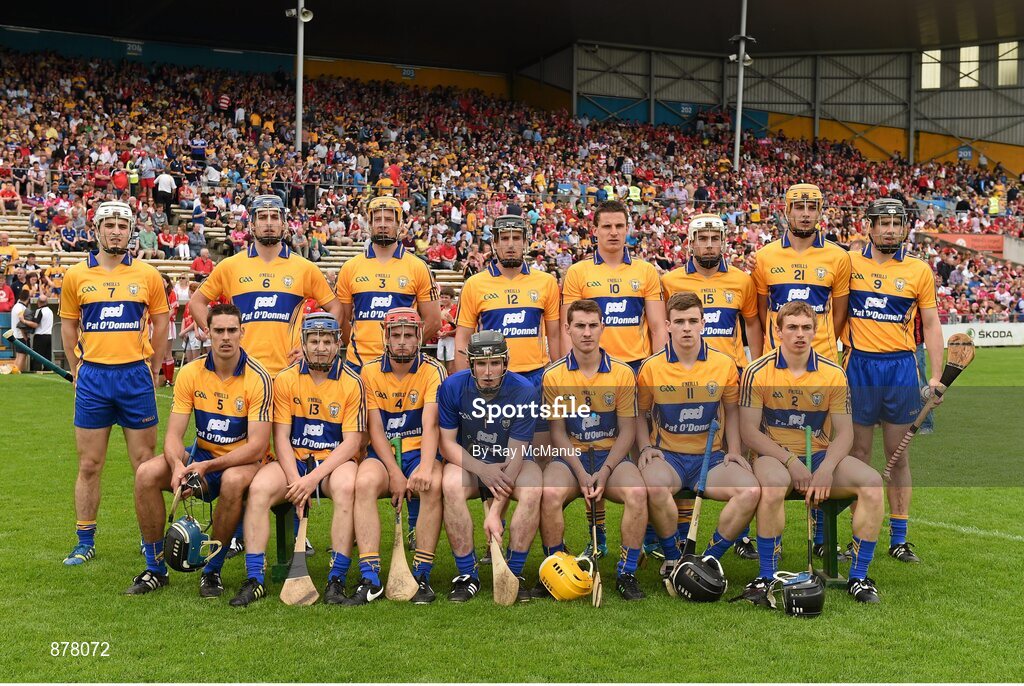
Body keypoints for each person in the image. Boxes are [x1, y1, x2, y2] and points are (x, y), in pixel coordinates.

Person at [737, 301, 884, 605]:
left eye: (806, 328)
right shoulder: (757, 371)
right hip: (774, 456)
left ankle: (859, 577)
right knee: (774, 484)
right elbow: (749, 432)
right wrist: (791, 461)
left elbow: (845, 433)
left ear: (815, 332)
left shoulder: (833, 373)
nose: (799, 334)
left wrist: (826, 469)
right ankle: (767, 576)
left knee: (871, 483)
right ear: (778, 332)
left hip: (818, 455)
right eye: (792, 327)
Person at [126, 303, 271, 597]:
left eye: (232, 330)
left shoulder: (258, 377)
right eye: (219, 331)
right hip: (202, 456)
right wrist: (177, 466)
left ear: (242, 333)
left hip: (242, 461)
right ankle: (155, 569)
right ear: (208, 333)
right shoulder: (191, 372)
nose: (226, 337)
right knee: (146, 474)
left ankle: (212, 571)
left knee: (232, 481)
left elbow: (257, 447)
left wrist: (206, 467)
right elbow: (173, 436)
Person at [58, 201, 169, 565]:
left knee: (145, 465)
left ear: (131, 231)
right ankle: (84, 540)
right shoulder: (76, 275)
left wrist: (154, 369)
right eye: (109, 225)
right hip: (94, 378)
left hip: (135, 376)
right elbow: (69, 326)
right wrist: (77, 369)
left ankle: (149, 539)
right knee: (89, 464)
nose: (116, 231)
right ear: (97, 230)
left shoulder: (148, 275)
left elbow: (162, 323)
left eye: (123, 225)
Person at [229, 312, 365, 607]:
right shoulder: (285, 379)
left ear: (337, 343)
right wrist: (295, 481)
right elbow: (281, 437)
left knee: (346, 487)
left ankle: (336, 578)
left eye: (326, 341)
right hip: (293, 461)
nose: (320, 347)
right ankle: (254, 578)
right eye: (314, 341)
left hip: (333, 462)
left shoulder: (352, 381)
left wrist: (311, 480)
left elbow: (352, 443)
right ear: (303, 343)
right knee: (259, 489)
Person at [560, 199, 666, 555]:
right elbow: (568, 327)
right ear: (595, 231)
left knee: (641, 449)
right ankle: (599, 532)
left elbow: (657, 327)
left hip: (635, 368)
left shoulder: (646, 271)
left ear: (628, 229)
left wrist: (655, 369)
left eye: (619, 225)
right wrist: (570, 368)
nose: (613, 232)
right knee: (595, 445)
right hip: (591, 371)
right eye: (606, 226)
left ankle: (648, 533)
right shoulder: (578, 273)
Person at [635, 292, 761, 589]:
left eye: (693, 321)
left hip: (711, 458)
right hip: (669, 457)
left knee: (750, 491)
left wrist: (733, 450)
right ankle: (673, 557)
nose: (687, 328)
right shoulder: (651, 367)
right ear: (668, 325)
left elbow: (732, 410)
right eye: (679, 322)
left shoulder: (724, 364)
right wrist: (646, 447)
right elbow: (639, 413)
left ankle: (708, 558)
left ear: (703, 323)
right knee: (654, 487)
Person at [661, 213, 764, 560]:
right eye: (702, 239)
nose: (709, 245)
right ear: (690, 243)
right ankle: (676, 537)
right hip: (684, 376)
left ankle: (742, 535)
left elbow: (752, 325)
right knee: (683, 449)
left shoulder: (741, 280)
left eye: (714, 239)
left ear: (723, 242)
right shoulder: (671, 280)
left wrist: (755, 366)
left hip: (728, 375)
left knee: (736, 450)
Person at [846, 199, 943, 564]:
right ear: (869, 226)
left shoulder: (919, 270)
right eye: (882, 223)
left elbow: (931, 324)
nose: (889, 230)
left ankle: (899, 539)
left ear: (904, 228)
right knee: (857, 456)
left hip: (901, 368)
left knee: (897, 456)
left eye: (896, 223)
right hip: (859, 366)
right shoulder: (848, 263)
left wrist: (935, 375)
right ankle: (857, 536)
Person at [538, 299, 647, 600]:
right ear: (567, 329)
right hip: (570, 459)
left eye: (592, 326)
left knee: (638, 494)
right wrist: (582, 473)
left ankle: (627, 573)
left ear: (602, 328)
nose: (587, 332)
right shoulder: (553, 375)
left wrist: (605, 470)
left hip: (610, 456)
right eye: (580, 326)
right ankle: (556, 569)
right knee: (549, 494)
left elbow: (627, 431)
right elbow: (558, 433)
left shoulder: (622, 373)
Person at [351, 308, 448, 605]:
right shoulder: (369, 372)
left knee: (433, 484)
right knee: (364, 483)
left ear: (419, 336)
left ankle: (421, 574)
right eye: (396, 335)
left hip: (420, 451)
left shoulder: (433, 370)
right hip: (383, 455)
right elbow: (376, 429)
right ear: (386, 337)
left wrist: (426, 467)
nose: (402, 341)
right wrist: (394, 472)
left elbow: (431, 425)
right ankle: (370, 576)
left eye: (408, 335)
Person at [438, 331, 541, 603]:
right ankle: (466, 575)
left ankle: (513, 572)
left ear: (505, 362)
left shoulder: (524, 391)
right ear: (470, 364)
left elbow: (516, 456)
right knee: (450, 484)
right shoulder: (452, 386)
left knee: (533, 488)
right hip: (470, 462)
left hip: (510, 461)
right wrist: (482, 470)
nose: (487, 372)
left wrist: (495, 513)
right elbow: (446, 445)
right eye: (481, 364)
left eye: (494, 363)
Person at [191, 194, 341, 378]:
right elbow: (196, 303)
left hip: (289, 375)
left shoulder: (305, 268)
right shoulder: (230, 266)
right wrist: (217, 335)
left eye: (274, 217)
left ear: (284, 224)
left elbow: (336, 307)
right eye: (262, 217)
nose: (269, 223)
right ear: (252, 224)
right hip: (242, 373)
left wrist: (312, 348)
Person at [335, 195, 440, 374]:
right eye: (377, 219)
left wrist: (405, 349)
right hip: (358, 365)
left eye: (389, 219)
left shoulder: (418, 267)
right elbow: (342, 319)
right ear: (369, 224)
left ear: (400, 224)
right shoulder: (350, 267)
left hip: (402, 366)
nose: (383, 224)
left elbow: (434, 321)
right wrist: (356, 347)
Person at [454, 215, 560, 387]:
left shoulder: (547, 282)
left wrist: (560, 378)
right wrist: (464, 386)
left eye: (516, 238)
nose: (510, 244)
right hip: (490, 378)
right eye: (504, 238)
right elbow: (462, 339)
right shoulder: (474, 284)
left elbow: (554, 336)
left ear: (525, 242)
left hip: (535, 377)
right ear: (494, 243)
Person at [750, 184, 851, 362]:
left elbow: (840, 314)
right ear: (787, 211)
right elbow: (762, 311)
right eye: (798, 207)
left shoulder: (839, 256)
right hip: (777, 357)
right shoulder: (763, 256)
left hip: (822, 358)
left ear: (819, 212)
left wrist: (821, 343)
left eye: (812, 208)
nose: (806, 214)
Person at [9, 290, 35, 372]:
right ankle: (18, 371)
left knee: (18, 355)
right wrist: (25, 336)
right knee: (22, 355)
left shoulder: (16, 306)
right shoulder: (21, 308)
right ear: (28, 298)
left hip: (15, 334)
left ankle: (14, 371)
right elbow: (21, 322)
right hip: (20, 335)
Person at [435, 286, 458, 374]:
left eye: (446, 297)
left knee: (451, 365)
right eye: (442, 297)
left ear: (451, 298)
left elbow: (459, 328)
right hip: (441, 339)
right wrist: (439, 333)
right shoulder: (439, 310)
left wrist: (448, 333)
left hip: (452, 339)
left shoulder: (456, 310)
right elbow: (435, 324)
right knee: (441, 363)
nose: (443, 299)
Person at [30, 295, 54, 372]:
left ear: (38, 302)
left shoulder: (39, 311)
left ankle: (36, 370)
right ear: (47, 302)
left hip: (40, 336)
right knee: (47, 357)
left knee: (37, 357)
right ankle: (48, 371)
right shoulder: (50, 311)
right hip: (49, 336)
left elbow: (35, 324)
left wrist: (23, 321)